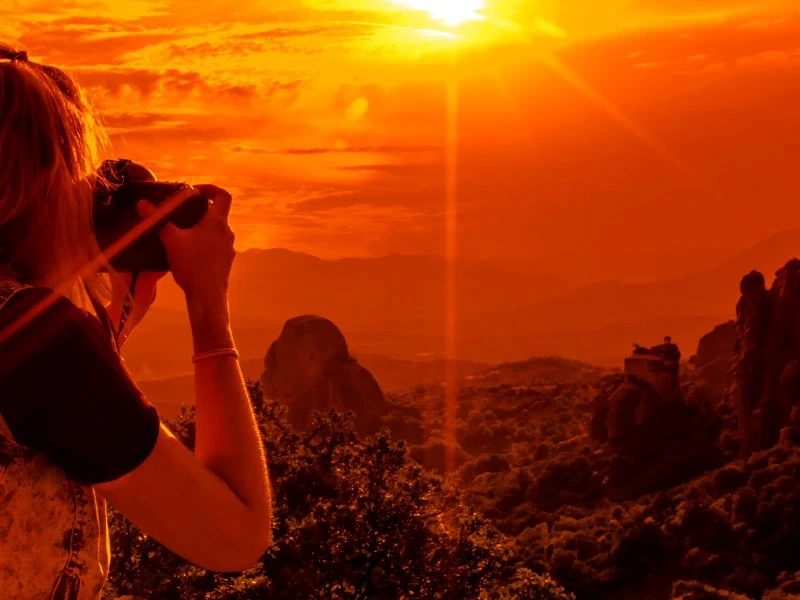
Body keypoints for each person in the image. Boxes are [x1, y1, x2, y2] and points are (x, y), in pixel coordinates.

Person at [0, 44, 272, 599]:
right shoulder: (36, 339)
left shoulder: (34, 345)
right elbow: (236, 538)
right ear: (47, 180)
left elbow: (50, 428)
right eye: (82, 181)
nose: (88, 200)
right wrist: (207, 304)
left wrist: (109, 330)